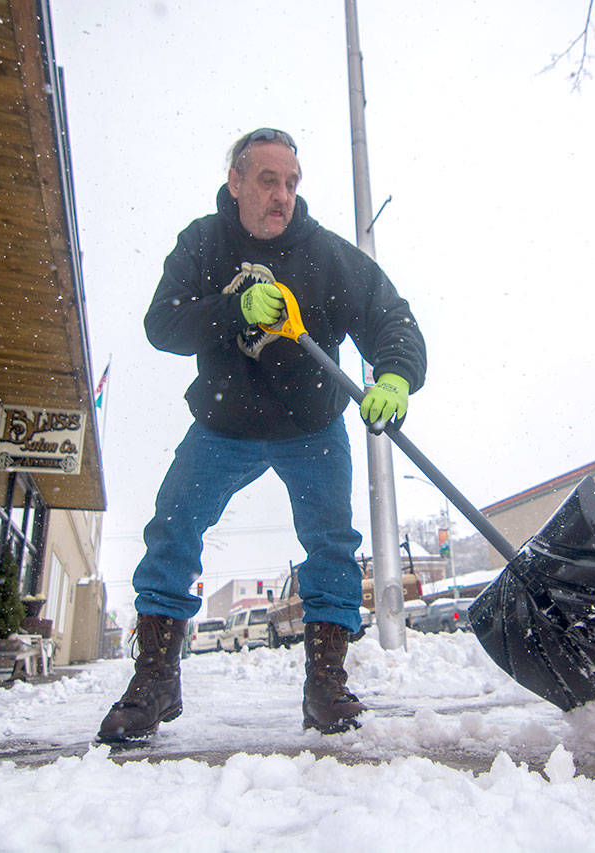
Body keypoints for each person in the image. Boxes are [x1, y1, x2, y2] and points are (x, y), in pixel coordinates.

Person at [98, 128, 427, 742]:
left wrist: (396, 377)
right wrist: (232, 311)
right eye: (269, 181)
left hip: (314, 426)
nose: (283, 196)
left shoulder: (327, 255)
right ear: (237, 183)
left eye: (292, 183)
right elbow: (161, 324)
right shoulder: (202, 242)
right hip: (224, 426)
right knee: (172, 526)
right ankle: (155, 679)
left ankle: (326, 684)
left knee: (331, 545)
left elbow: (391, 318)